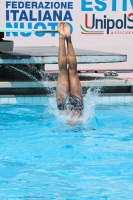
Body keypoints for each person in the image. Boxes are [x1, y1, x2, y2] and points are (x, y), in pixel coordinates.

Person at [56, 22, 84, 123]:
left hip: (74, 107)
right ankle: (63, 37)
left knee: (72, 71)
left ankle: (65, 38)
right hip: (68, 109)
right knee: (64, 71)